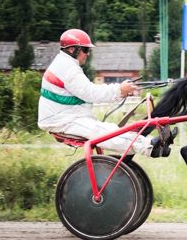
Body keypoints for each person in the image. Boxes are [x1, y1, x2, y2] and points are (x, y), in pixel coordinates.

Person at [38, 29, 175, 157]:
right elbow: (91, 93)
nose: (88, 53)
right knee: (105, 133)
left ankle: (151, 143)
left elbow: (88, 92)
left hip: (68, 117)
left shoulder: (66, 64)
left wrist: (121, 91)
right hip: (63, 121)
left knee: (111, 129)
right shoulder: (67, 68)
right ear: (72, 49)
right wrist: (119, 90)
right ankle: (150, 147)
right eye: (85, 49)